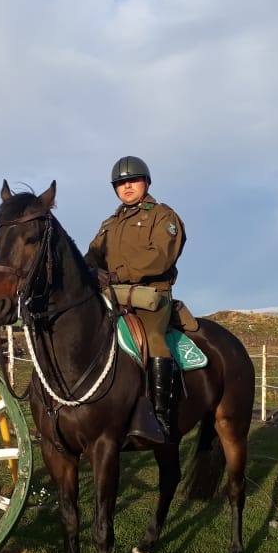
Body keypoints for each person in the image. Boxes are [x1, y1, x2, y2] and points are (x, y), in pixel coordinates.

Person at [85, 155, 186, 446]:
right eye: (120, 183)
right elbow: (92, 256)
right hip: (112, 295)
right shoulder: (109, 224)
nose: (127, 187)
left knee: (153, 338)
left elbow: (161, 256)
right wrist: (86, 271)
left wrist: (118, 274)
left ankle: (160, 416)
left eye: (132, 181)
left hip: (151, 295)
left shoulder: (163, 216)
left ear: (146, 182)